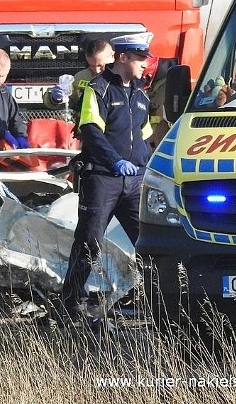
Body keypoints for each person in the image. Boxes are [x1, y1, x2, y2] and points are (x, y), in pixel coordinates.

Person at [59, 32, 153, 327]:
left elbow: (146, 137)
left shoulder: (141, 95)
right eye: (139, 59)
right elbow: (90, 130)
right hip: (102, 178)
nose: (144, 65)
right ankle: (71, 306)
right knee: (89, 242)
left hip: (133, 181)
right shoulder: (97, 89)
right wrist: (115, 161)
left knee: (149, 242)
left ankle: (157, 302)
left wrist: (146, 164)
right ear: (123, 57)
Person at [44, 38, 114, 112]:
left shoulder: (122, 77)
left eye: (100, 65)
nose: (96, 70)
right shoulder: (81, 77)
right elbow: (70, 102)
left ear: (112, 56)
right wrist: (54, 99)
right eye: (92, 65)